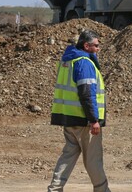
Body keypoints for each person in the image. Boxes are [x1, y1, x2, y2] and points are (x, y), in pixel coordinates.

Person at [48, 30, 110, 192]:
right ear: (86, 45)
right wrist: (94, 120)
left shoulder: (68, 60)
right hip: (84, 121)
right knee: (93, 160)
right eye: (96, 45)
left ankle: (55, 188)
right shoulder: (84, 63)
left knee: (68, 155)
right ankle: (102, 190)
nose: (98, 48)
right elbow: (87, 93)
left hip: (69, 118)